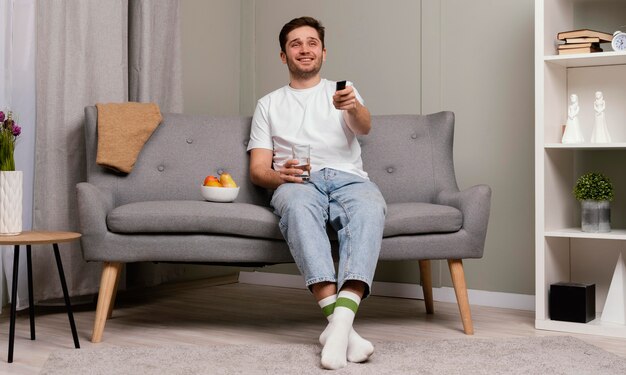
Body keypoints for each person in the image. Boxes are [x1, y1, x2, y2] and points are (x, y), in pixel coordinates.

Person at [246, 16, 386, 370]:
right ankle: (344, 331)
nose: (305, 49)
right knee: (296, 208)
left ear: (323, 52)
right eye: (296, 44)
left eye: (312, 43)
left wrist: (352, 107)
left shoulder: (343, 91)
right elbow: (258, 170)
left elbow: (364, 127)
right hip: (296, 183)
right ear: (283, 56)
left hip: (348, 177)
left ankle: (337, 328)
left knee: (371, 206)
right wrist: (280, 175)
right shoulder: (268, 104)